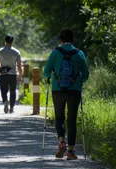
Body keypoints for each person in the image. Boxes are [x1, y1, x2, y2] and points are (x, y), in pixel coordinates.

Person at [43, 28, 89, 160]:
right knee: (72, 119)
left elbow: (46, 72)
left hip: (57, 90)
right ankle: (71, 151)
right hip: (74, 91)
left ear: (61, 40)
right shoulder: (79, 53)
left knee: (59, 117)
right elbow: (86, 75)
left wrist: (50, 76)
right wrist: (78, 82)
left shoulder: (55, 53)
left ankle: (61, 141)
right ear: (73, 39)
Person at [0, 34, 22, 114]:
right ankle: (12, 108)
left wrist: (1, 67)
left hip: (3, 74)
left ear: (5, 40)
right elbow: (19, 66)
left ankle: (5, 101)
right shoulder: (16, 52)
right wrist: (20, 76)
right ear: (12, 41)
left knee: (3, 90)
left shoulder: (0, 51)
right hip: (13, 74)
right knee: (13, 91)